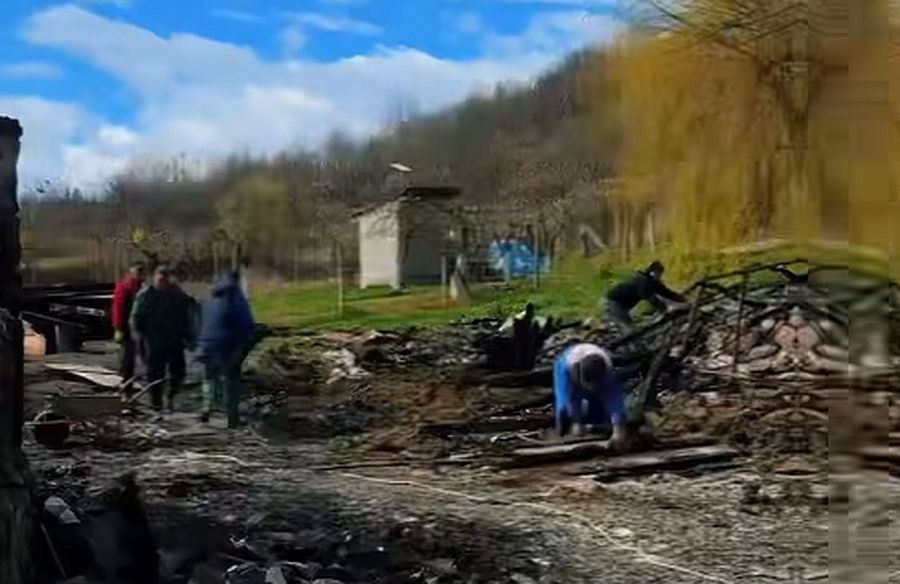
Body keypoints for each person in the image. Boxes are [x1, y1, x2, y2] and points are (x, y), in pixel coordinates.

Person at [130, 265, 194, 417]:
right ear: (155, 279)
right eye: (160, 280)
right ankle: (156, 404)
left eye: (165, 280)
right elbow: (136, 317)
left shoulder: (177, 293)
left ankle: (170, 397)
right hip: (153, 340)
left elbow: (187, 313)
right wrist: (139, 337)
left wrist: (188, 334)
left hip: (174, 339)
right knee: (154, 374)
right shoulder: (146, 294)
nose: (163, 283)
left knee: (178, 372)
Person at [196, 270, 255, 428]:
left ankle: (206, 409)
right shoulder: (236, 299)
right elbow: (247, 325)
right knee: (231, 380)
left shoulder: (210, 298)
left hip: (205, 345)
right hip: (224, 346)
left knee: (208, 378)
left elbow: (201, 322)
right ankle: (232, 418)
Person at [554, 343, 627, 447]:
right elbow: (573, 398)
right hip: (566, 364)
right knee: (564, 404)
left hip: (595, 370)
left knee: (598, 405)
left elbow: (615, 400)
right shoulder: (570, 370)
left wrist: (618, 427)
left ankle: (594, 427)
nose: (590, 388)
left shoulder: (608, 374)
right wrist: (576, 421)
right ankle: (563, 429)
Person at [604, 260, 686, 334]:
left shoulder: (652, 281)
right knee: (630, 329)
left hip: (624, 305)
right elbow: (648, 296)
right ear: (652, 272)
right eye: (658, 274)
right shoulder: (642, 281)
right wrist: (663, 308)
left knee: (632, 326)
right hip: (614, 302)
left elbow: (666, 292)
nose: (660, 276)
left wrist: (682, 300)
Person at [111, 262, 145, 391]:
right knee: (129, 354)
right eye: (139, 272)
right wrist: (118, 327)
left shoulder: (140, 287)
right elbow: (118, 308)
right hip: (127, 326)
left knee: (135, 353)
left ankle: (131, 378)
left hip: (137, 325)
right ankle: (126, 379)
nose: (141, 275)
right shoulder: (125, 287)